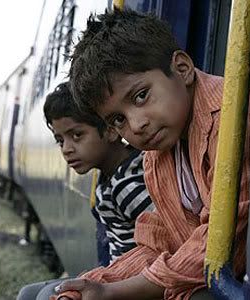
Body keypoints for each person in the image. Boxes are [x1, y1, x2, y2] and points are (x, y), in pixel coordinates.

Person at [51, 8, 250, 300]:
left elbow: (220, 249)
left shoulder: (229, 118)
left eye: (141, 96)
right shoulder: (155, 155)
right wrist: (91, 283)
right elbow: (156, 242)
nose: (136, 125)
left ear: (182, 69)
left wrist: (112, 292)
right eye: (118, 119)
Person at [16, 82, 155, 299]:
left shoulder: (127, 186)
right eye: (59, 140)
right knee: (29, 293)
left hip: (135, 286)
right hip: (118, 279)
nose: (66, 149)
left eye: (77, 135)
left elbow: (168, 247)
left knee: (44, 296)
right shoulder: (110, 177)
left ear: (110, 130)